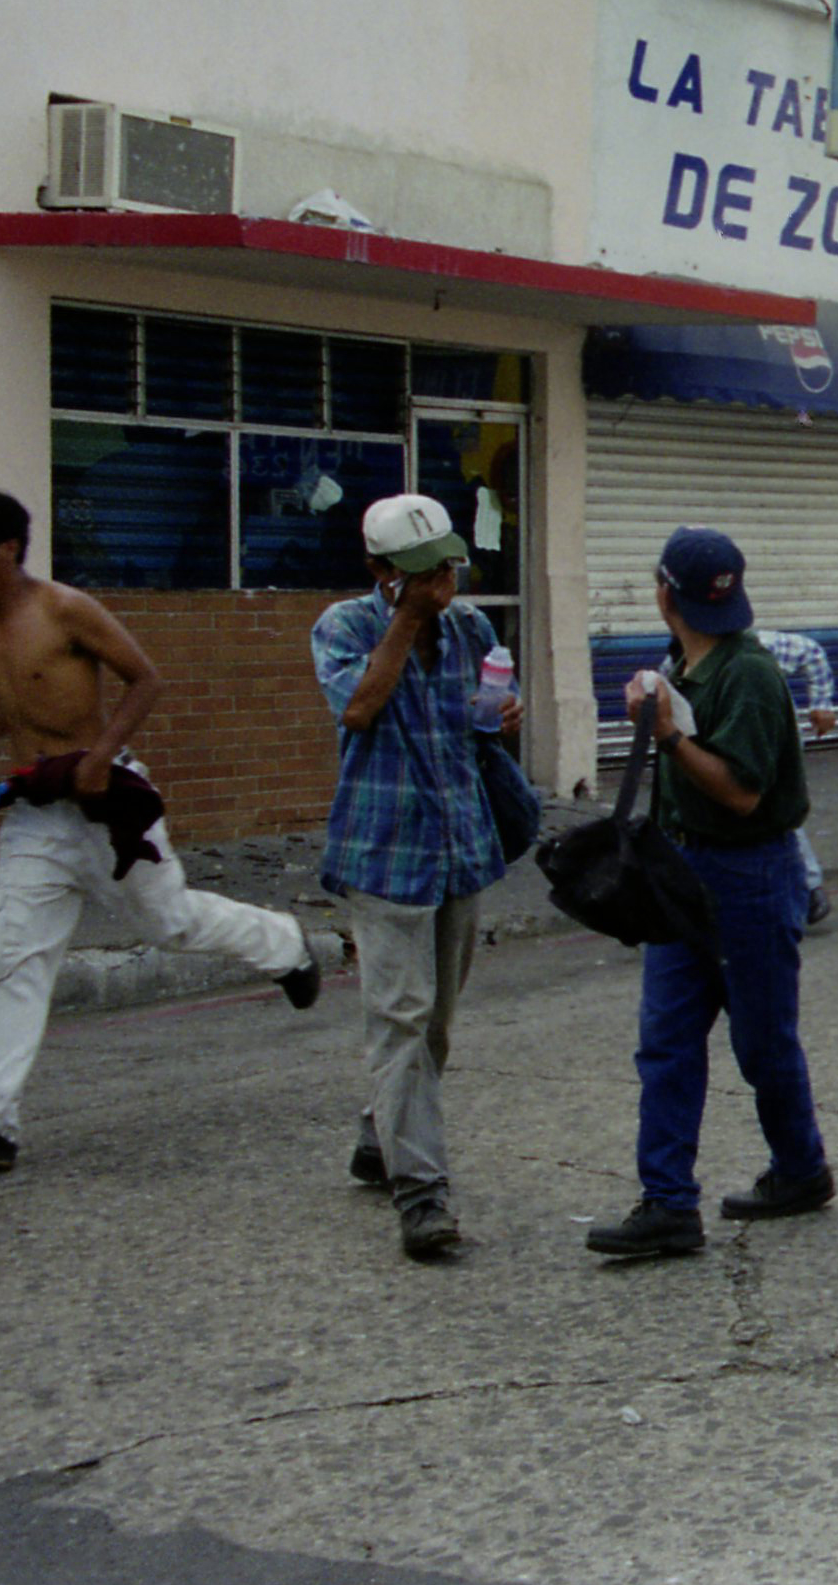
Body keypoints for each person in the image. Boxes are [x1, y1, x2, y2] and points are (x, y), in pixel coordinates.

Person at [0, 492, 326, 1175]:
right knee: (13, 952)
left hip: (107, 803)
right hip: (37, 811)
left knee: (172, 922)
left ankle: (283, 943)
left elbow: (144, 678)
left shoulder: (63, 607)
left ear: (10, 546)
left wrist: (102, 757)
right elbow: (17, 691)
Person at [588, 527, 834, 1258]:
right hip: (683, 873)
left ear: (664, 594)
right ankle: (667, 1202)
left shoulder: (749, 675)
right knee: (664, 1041)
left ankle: (801, 1168)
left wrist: (666, 735)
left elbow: (742, 795)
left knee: (761, 1042)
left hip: (750, 874)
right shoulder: (683, 665)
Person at [311, 493, 520, 1261]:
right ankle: (422, 1193)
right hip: (385, 852)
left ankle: (381, 1134)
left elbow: (474, 717)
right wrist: (404, 620)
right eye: (425, 570)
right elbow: (359, 708)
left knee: (435, 1023)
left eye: (450, 562)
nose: (445, 580)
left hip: (460, 844)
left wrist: (499, 716)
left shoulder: (471, 628)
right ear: (382, 571)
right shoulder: (345, 626)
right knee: (400, 1017)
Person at [757, 628, 838, 925]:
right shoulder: (683, 658)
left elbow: (811, 651)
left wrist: (821, 703)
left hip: (774, 739)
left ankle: (809, 888)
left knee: (772, 807)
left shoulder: (757, 648)